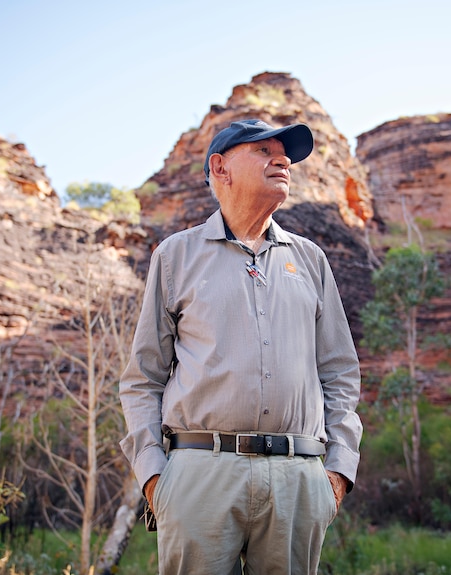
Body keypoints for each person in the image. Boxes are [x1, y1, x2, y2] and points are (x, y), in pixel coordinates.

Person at [119, 118, 363, 574]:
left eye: (285, 152)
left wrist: (336, 473)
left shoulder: (310, 260)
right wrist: (155, 476)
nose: (283, 159)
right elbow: (142, 379)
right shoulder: (175, 256)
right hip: (198, 475)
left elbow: (341, 373)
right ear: (221, 167)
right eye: (263, 150)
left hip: (299, 479)